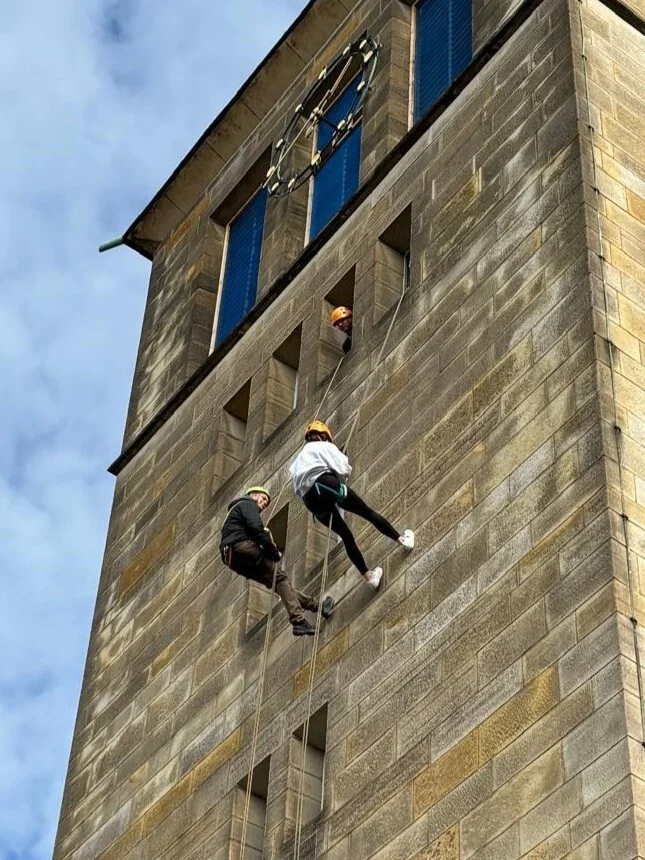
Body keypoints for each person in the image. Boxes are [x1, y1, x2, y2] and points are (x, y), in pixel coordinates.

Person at [289, 423, 414, 589]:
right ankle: (402, 539)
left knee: (345, 535)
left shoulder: (297, 461)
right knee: (366, 512)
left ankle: (369, 577)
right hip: (325, 484)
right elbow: (344, 468)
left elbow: (296, 488)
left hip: (311, 501)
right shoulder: (324, 446)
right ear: (323, 436)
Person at [220, 486, 335, 636]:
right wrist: (273, 551)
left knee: (280, 584)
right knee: (280, 578)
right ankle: (298, 621)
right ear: (253, 495)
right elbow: (257, 529)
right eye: (263, 499)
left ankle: (318, 607)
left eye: (266, 503)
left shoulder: (235, 514)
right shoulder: (247, 504)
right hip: (242, 548)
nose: (264, 504)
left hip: (234, 560)